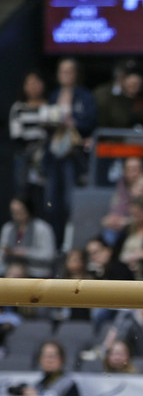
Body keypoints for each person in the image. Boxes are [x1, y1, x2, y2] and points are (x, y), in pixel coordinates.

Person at [43, 58, 97, 247]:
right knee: (50, 202)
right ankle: (54, 243)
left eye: (69, 71)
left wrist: (73, 122)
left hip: (73, 156)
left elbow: (90, 122)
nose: (65, 74)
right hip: (54, 154)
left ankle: (69, 244)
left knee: (70, 201)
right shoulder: (53, 95)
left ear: (76, 74)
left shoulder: (85, 96)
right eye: (62, 71)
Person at [9, 70, 49, 210]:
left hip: (46, 156)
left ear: (42, 84)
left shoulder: (49, 106)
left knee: (46, 197)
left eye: (36, 82)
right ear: (24, 86)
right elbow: (16, 134)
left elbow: (52, 132)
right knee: (23, 193)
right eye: (29, 83)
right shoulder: (18, 108)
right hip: (24, 155)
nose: (33, 86)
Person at [0, 195, 56, 278]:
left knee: (16, 273)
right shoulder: (8, 228)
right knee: (14, 272)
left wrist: (25, 253)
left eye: (19, 211)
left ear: (28, 209)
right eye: (14, 212)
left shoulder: (42, 228)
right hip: (10, 269)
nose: (16, 215)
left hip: (35, 270)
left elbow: (49, 255)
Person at [10, 341, 79, 396]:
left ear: (61, 359)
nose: (48, 360)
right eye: (44, 356)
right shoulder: (40, 383)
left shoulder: (69, 385)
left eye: (52, 356)